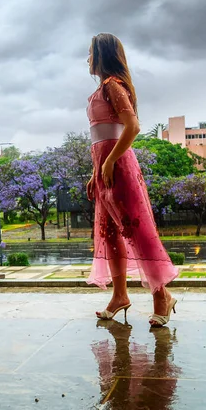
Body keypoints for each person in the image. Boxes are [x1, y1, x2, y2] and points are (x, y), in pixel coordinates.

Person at [85, 33, 179, 327]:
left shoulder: (113, 85)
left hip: (118, 167)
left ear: (101, 55)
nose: (87, 59)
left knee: (135, 232)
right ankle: (119, 296)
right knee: (110, 233)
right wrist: (95, 172)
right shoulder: (101, 89)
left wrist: (111, 161)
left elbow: (133, 127)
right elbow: (102, 136)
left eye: (90, 53)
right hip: (105, 169)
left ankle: (162, 296)